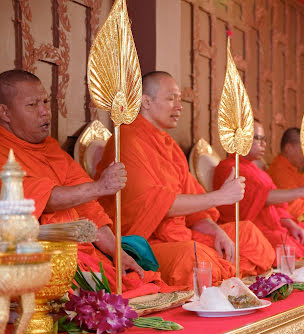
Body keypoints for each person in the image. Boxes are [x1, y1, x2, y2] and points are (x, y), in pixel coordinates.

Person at [96, 71, 274, 288]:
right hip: (146, 243)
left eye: (180, 99)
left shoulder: (168, 144)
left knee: (248, 235)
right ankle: (228, 276)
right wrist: (219, 196)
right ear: (146, 102)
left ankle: (225, 275)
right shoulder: (127, 140)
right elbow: (156, 204)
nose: (179, 106)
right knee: (194, 258)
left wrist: (216, 231)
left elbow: (196, 205)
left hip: (181, 234)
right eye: (171, 99)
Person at [0, 69, 168, 298]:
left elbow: (89, 208)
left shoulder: (51, 149)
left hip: (79, 251)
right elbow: (41, 200)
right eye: (32, 105)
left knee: (132, 285)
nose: (44, 111)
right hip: (33, 255)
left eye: (45, 101)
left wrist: (117, 253)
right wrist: (99, 187)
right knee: (102, 297)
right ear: (4, 112)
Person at [213, 120, 304, 259]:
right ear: (239, 137)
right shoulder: (229, 167)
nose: (263, 144)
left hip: (275, 224)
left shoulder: (258, 171)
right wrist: (303, 191)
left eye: (264, 139)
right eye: (257, 138)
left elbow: (277, 207)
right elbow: (264, 197)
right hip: (253, 228)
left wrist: (292, 225)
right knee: (287, 247)